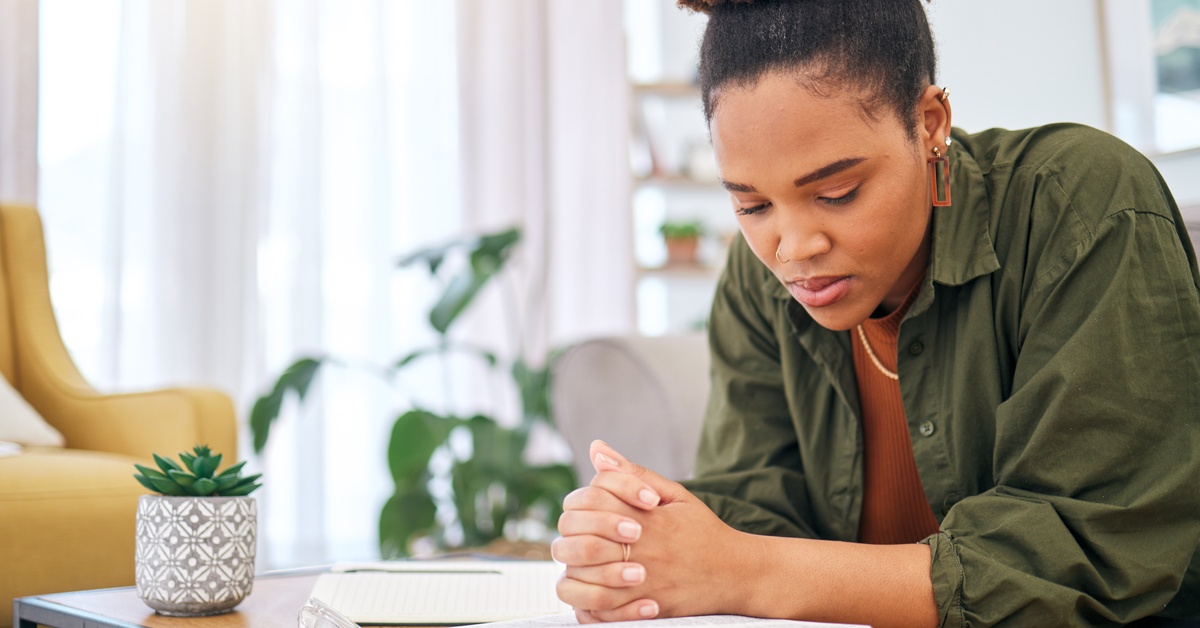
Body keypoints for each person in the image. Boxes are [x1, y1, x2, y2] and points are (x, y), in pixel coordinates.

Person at [550, 0, 1200, 626]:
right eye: (752, 206)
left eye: (837, 192)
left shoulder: (1079, 206)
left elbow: (1084, 556)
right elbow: (754, 509)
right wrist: (638, 535)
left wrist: (744, 570)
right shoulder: (758, 280)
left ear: (929, 123)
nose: (792, 249)